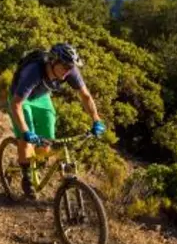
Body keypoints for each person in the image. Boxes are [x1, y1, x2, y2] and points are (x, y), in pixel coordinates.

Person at [8, 43, 106, 199]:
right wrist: (26, 132)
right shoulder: (34, 72)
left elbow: (85, 96)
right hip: (20, 100)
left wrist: (96, 119)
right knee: (27, 139)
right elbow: (16, 104)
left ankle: (31, 162)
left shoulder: (71, 71)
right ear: (53, 61)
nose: (68, 71)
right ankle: (26, 176)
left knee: (46, 142)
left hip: (42, 98)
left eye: (71, 67)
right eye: (65, 66)